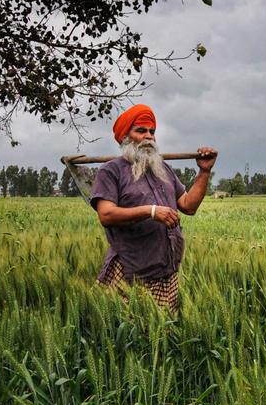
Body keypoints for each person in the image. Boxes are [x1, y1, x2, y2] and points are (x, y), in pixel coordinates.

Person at [89, 104, 217, 310]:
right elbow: (106, 214)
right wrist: (151, 211)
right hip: (131, 270)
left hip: (166, 270)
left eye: (152, 131)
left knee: (162, 335)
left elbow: (188, 205)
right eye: (141, 130)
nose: (149, 136)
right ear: (125, 137)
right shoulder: (111, 171)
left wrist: (204, 172)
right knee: (129, 334)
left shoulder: (162, 168)